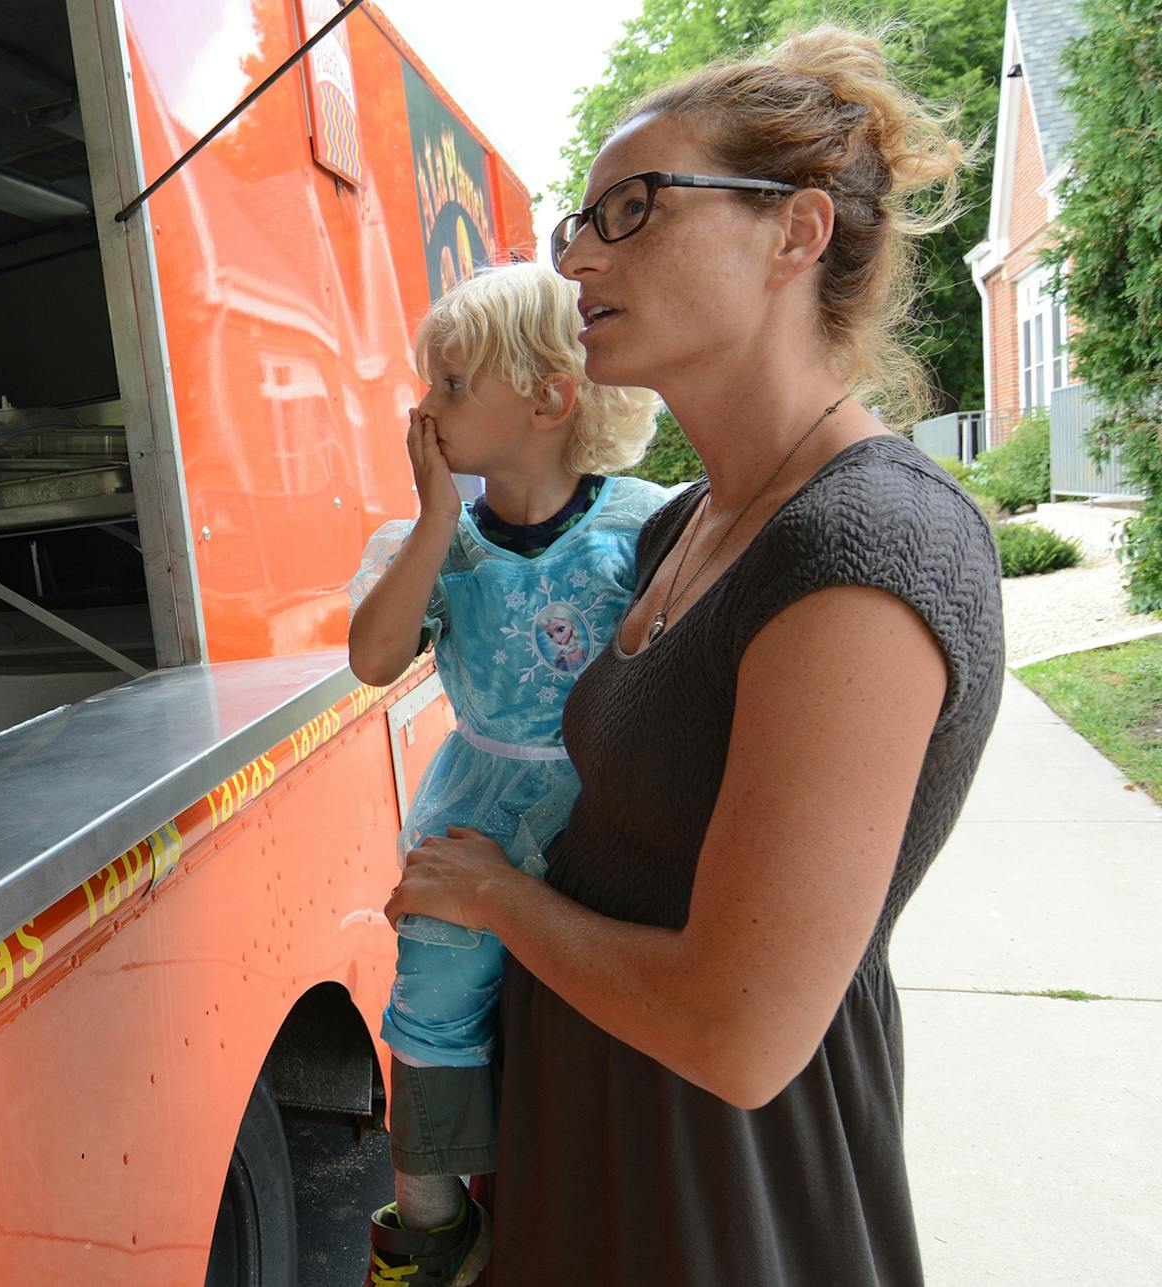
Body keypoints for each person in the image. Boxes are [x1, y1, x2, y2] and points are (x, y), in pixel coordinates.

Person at [384, 26, 1005, 1285]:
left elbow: (739, 1032)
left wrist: (496, 896)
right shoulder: (684, 521)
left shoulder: (867, 543)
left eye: (633, 210)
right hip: (591, 1152)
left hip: (723, 1198)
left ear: (796, 233)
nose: (576, 255)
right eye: (576, 223)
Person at [346, 262, 664, 1285]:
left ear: (548, 396)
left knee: (594, 1003)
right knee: (434, 980)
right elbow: (373, 659)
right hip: (481, 804)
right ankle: (430, 1221)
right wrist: (436, 515)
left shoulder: (646, 529)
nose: (421, 406)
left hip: (604, 805)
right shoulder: (438, 548)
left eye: (448, 383)